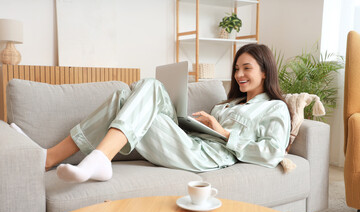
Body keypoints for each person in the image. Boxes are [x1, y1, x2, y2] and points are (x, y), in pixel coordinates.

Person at [10, 43, 291, 183]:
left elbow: (272, 153)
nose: (239, 74)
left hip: (207, 156)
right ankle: (68, 158)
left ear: (265, 71)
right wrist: (191, 121)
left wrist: (223, 132)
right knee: (139, 89)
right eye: (236, 68)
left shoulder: (275, 107)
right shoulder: (228, 103)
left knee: (128, 97)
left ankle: (61, 157)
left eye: (247, 68)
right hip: (188, 139)